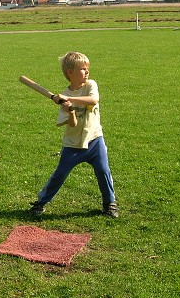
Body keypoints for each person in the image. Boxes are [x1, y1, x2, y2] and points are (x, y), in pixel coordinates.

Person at [29, 52, 118, 218]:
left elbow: (94, 100)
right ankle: (40, 203)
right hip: (73, 145)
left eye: (87, 68)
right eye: (82, 69)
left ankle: (110, 204)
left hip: (95, 140)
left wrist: (69, 99)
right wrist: (70, 111)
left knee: (103, 171)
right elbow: (72, 124)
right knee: (60, 174)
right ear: (70, 72)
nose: (87, 71)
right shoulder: (64, 96)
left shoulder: (90, 85)